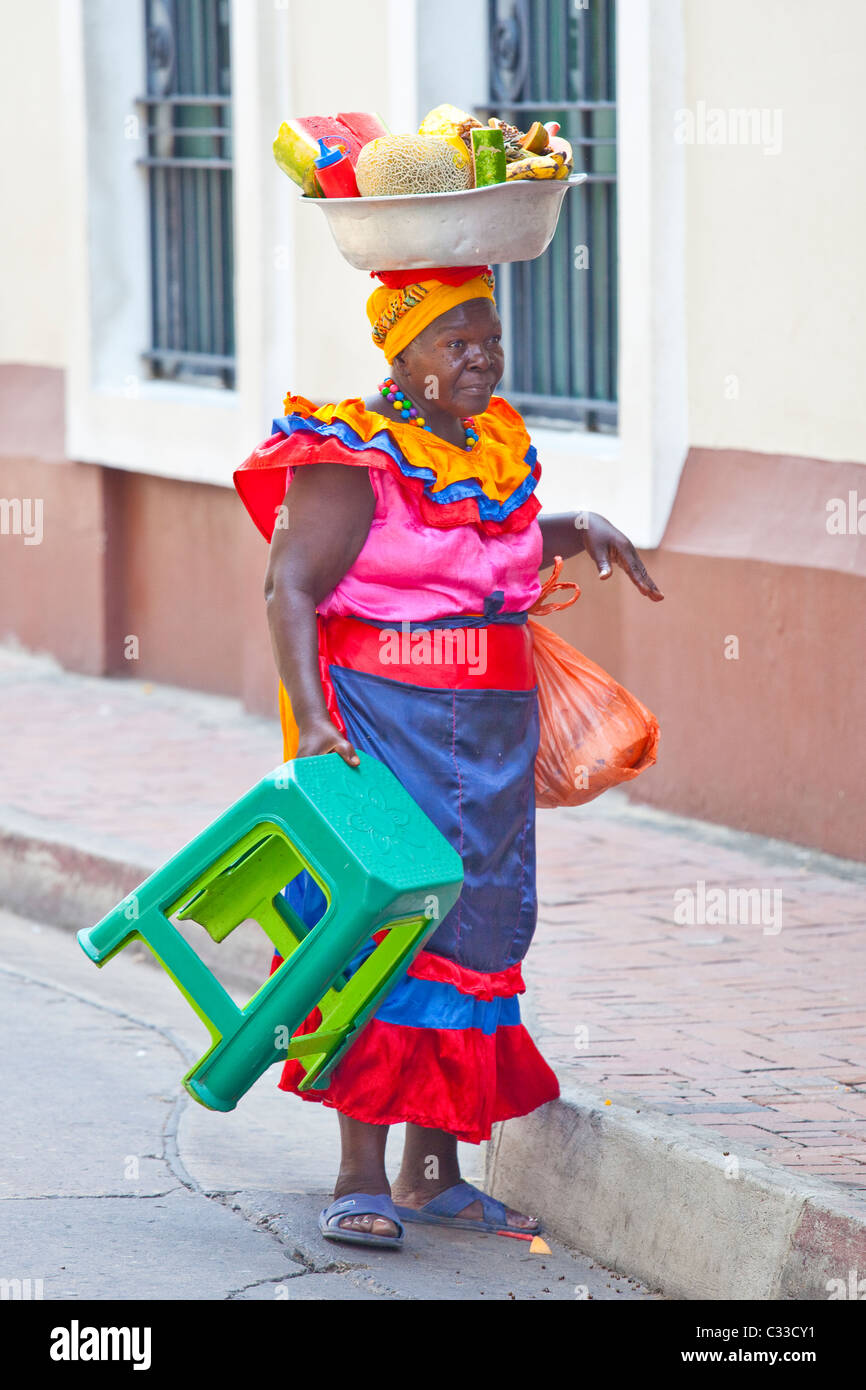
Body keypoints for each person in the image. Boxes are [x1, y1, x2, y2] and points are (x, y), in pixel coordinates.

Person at [233, 265, 663, 1249]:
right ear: (402, 352)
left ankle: (433, 1172)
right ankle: (358, 1174)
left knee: (475, 930)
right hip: (385, 727)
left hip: (492, 741)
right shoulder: (348, 452)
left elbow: (478, 543)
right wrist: (313, 719)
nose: (482, 357)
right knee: (385, 930)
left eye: (490, 338)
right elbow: (287, 586)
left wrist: (577, 527)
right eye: (455, 342)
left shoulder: (487, 451)